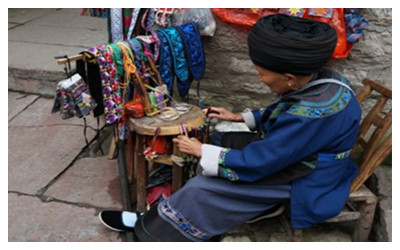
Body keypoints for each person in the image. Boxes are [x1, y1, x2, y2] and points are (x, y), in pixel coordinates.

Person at [99, 13, 361, 241]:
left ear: (290, 78)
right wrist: (239, 118)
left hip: (310, 177)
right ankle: (231, 208)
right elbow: (287, 114)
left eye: (261, 73)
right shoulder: (326, 79)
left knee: (202, 188)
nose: (260, 79)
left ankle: (153, 227)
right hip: (300, 155)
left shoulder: (309, 115)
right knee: (223, 139)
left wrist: (202, 151)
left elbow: (264, 159)